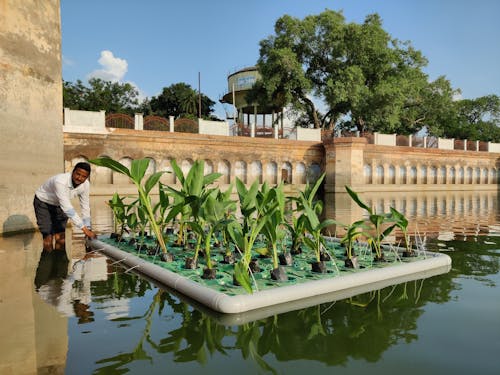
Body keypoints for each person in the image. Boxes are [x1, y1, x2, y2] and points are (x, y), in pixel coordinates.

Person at [34, 162, 97, 253]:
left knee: (61, 238)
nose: (79, 178)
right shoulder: (60, 181)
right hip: (44, 203)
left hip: (59, 205)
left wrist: (88, 227)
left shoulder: (86, 185)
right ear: (73, 172)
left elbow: (85, 206)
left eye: (83, 177)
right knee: (48, 238)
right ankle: (47, 264)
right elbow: (67, 208)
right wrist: (84, 230)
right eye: (77, 174)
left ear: (87, 177)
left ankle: (60, 265)